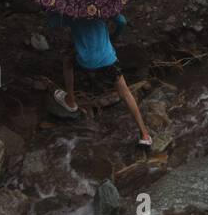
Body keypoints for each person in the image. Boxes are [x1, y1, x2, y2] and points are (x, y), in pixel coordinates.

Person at [48, 12, 152, 148]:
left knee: (67, 62)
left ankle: (71, 100)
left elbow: (52, 24)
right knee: (126, 93)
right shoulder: (102, 9)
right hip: (108, 59)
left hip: (84, 61)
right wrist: (114, 35)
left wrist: (52, 11)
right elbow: (122, 21)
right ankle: (144, 134)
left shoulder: (71, 13)